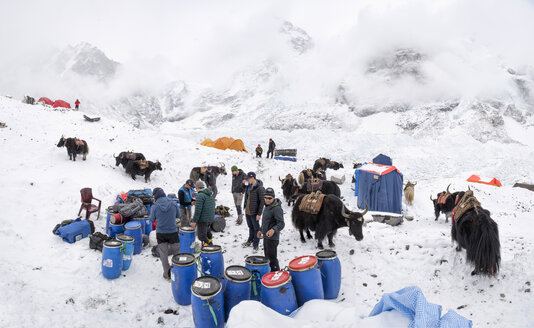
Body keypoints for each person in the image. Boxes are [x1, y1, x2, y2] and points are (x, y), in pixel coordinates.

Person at [149, 187, 181, 280]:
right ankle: (178, 272)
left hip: (161, 234)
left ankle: (167, 274)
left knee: (163, 254)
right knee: (177, 252)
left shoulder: (155, 206)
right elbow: (178, 216)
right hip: (173, 232)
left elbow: (151, 219)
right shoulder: (173, 203)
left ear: (155, 197)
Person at [257, 188, 284, 271]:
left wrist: (273, 230)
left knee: (272, 259)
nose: (267, 200)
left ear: (274, 198)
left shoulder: (276, 209)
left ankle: (276, 274)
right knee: (267, 258)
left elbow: (281, 224)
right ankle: (270, 274)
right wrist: (261, 230)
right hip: (266, 237)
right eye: (265, 197)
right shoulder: (267, 207)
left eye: (269, 198)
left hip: (273, 238)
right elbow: (266, 221)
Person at [242, 172, 265, 251]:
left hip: (254, 212)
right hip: (248, 210)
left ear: (253, 178)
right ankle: (250, 240)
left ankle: (256, 244)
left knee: (256, 228)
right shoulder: (249, 186)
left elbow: (262, 202)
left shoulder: (260, 188)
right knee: (250, 226)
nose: (247, 180)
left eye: (248, 178)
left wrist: (259, 214)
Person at [191, 181, 215, 247]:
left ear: (197, 188)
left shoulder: (200, 195)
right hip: (210, 217)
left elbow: (198, 210)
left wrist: (194, 221)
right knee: (207, 230)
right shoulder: (209, 194)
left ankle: (207, 245)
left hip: (203, 218)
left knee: (201, 235)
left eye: (196, 188)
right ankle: (210, 240)